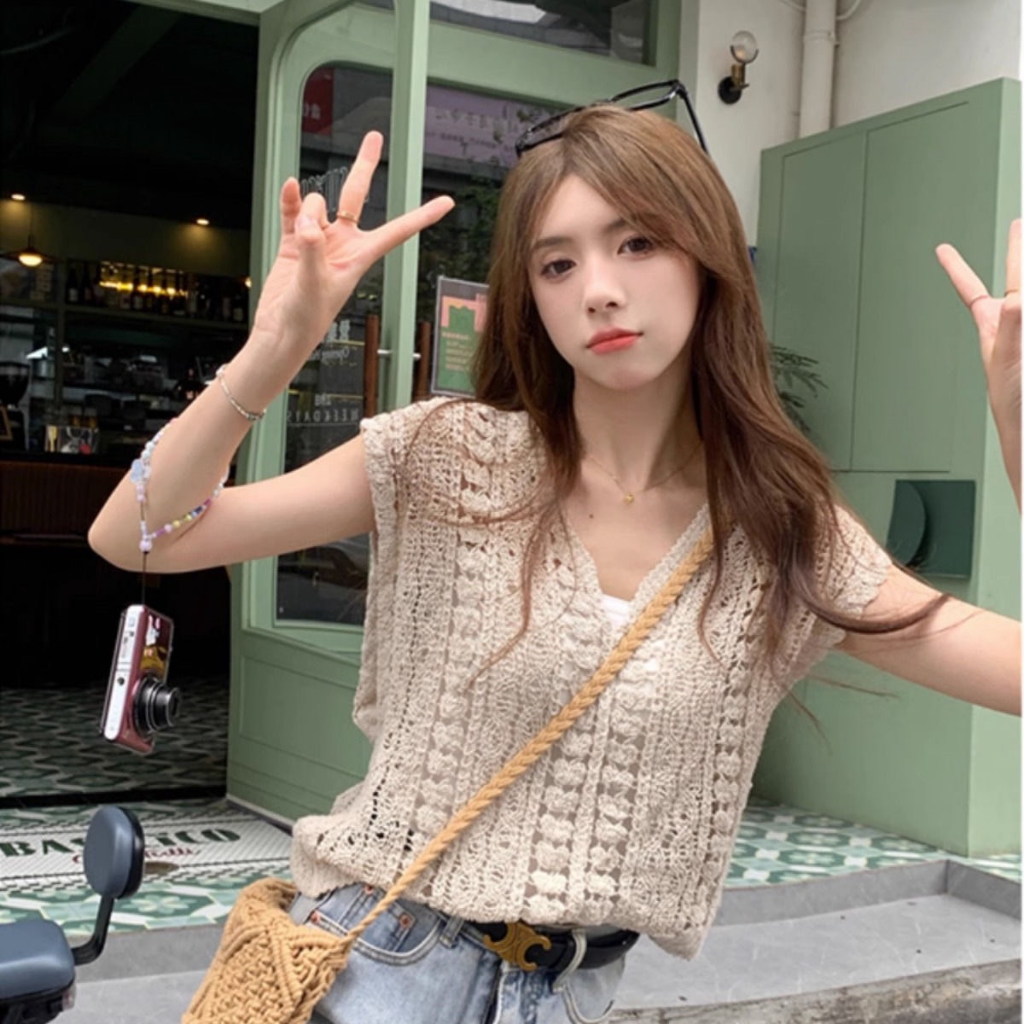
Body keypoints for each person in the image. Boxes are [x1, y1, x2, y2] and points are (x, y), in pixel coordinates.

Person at [88, 103, 1021, 1024]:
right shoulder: (448, 456)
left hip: (573, 995)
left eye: (637, 243)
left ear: (707, 259)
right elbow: (140, 534)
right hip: (374, 969)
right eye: (558, 264)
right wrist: (275, 350)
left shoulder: (781, 532)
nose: (599, 290)